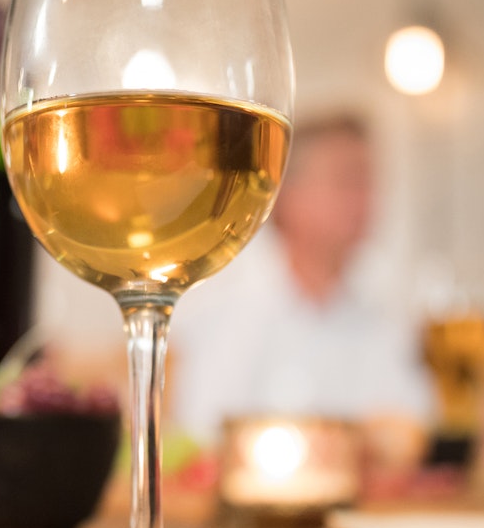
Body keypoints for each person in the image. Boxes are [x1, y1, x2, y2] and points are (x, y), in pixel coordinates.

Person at [170, 113, 432, 440]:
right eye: (347, 181)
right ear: (284, 194)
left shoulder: (385, 316)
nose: (366, 200)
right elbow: (202, 437)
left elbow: (415, 429)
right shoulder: (222, 307)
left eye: (369, 182)